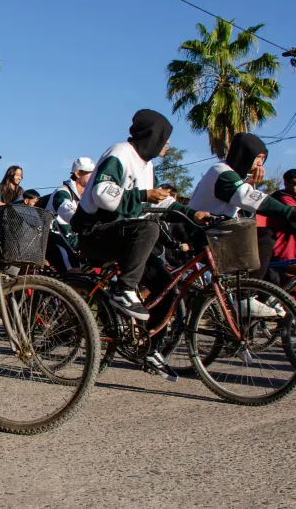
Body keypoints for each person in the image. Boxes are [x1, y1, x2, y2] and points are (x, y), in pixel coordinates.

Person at [71, 109, 210, 380]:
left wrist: (192, 214)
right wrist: (145, 194)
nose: (167, 144)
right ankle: (124, 290)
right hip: (95, 233)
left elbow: (158, 202)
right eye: (165, 138)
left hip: (124, 237)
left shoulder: (147, 165)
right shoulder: (120, 153)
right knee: (148, 227)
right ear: (152, 136)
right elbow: (103, 194)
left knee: (166, 286)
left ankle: (152, 350)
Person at [188, 133, 296, 315]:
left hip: (218, 232)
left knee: (256, 241)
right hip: (201, 232)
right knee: (264, 236)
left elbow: (247, 211)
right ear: (246, 155)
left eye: (263, 159)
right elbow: (255, 201)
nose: (260, 165)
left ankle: (246, 300)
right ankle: (245, 298)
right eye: (258, 158)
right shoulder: (222, 173)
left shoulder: (234, 177)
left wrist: (251, 184)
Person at [45, 157, 95, 274]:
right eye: (90, 174)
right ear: (78, 173)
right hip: (53, 239)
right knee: (75, 274)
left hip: (71, 241)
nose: (94, 178)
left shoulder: (84, 197)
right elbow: (69, 214)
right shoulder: (62, 192)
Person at [266, 169, 296, 262]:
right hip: (281, 246)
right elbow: (295, 220)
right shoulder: (283, 198)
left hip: (292, 247)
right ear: (286, 183)